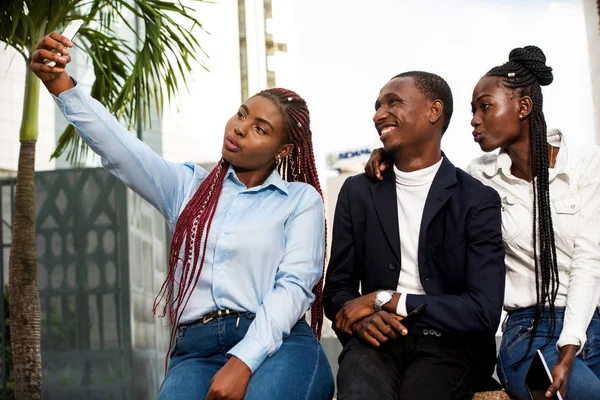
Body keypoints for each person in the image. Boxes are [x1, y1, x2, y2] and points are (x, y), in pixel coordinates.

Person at [31, 32, 334, 400]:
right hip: (196, 350)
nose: (239, 127)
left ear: (283, 150)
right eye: (242, 114)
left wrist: (242, 361)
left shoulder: (300, 200)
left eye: (260, 129)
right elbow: (121, 149)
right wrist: (60, 85)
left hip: (277, 343)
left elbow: (294, 287)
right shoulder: (188, 187)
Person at [365, 46, 600, 400]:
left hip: (591, 317)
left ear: (523, 107)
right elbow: (431, 174)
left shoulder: (586, 164)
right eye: (473, 110)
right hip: (530, 331)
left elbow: (589, 258)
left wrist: (571, 343)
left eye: (484, 107)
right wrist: (395, 154)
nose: (474, 119)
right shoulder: (479, 179)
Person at [323, 71, 506, 400]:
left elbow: (483, 311)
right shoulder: (358, 192)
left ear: (433, 111)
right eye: (378, 106)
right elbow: (337, 290)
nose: (379, 114)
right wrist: (360, 323)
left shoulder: (476, 200)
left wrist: (386, 299)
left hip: (450, 345)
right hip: (375, 342)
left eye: (393, 102)